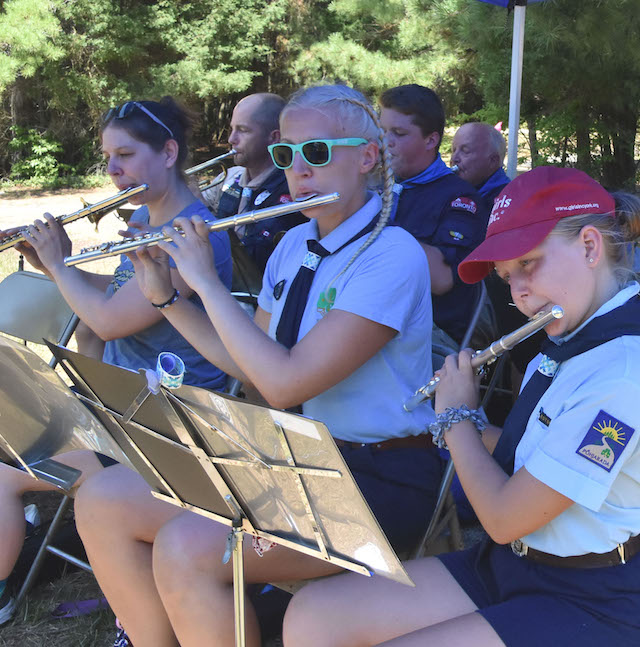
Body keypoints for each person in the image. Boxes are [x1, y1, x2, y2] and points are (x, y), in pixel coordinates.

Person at [72, 84, 443, 647]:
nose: (299, 169)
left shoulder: (391, 255)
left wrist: (200, 279)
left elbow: (282, 381)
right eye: (285, 154)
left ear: (366, 158)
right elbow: (248, 363)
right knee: (102, 501)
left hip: (374, 476)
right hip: (291, 458)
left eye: (316, 152)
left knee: (187, 548)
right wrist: (165, 297)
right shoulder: (294, 245)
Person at [280, 166, 640, 647]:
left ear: (590, 247)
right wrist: (438, 419)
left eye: (528, 264)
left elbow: (505, 517)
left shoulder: (622, 378)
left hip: (589, 601)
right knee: (315, 615)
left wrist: (457, 420)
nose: (517, 293)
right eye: (506, 277)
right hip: (512, 564)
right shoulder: (571, 342)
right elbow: (528, 455)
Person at [0, 97, 233, 625]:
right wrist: (53, 265)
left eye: (125, 155)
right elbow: (120, 295)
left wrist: (61, 267)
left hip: (170, 417)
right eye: (108, 157)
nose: (112, 170)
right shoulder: (143, 216)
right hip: (123, 402)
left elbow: (107, 321)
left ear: (169, 152)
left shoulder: (189, 232)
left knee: (4, 471)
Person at [380, 84, 486, 345]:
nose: (385, 142)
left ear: (431, 140)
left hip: (429, 334)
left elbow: (441, 280)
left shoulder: (460, 199)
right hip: (376, 314)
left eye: (399, 133)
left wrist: (372, 218)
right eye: (381, 131)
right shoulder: (378, 186)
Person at [202, 93, 304, 288]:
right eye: (232, 129)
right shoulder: (230, 177)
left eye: (243, 130)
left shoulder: (294, 189)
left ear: (274, 137)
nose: (231, 139)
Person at [450, 121, 510, 213]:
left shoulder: (507, 202)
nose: (454, 158)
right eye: (453, 150)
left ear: (493, 161)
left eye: (465, 151)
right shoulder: (451, 190)